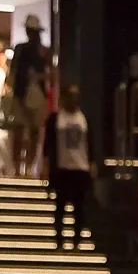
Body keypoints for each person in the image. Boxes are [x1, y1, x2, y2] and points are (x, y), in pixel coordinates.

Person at [48, 84, 94, 248]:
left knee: (79, 207)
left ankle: (76, 240)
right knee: (60, 206)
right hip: (62, 168)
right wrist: (48, 166)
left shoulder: (83, 119)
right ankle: (59, 239)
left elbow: (90, 143)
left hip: (80, 168)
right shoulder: (56, 119)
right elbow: (49, 145)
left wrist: (91, 163)